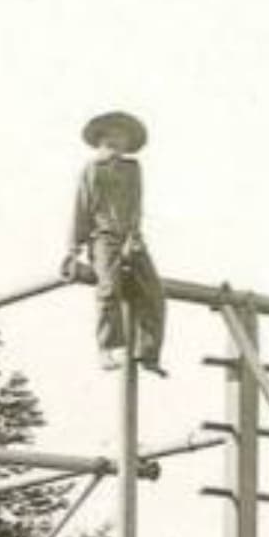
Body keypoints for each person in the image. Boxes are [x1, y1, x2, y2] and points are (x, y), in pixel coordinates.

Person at [63, 109, 166, 376]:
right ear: (101, 139)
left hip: (129, 235)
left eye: (122, 137)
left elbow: (136, 205)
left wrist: (133, 235)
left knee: (153, 290)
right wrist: (73, 248)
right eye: (111, 136)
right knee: (109, 288)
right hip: (103, 236)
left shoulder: (133, 170)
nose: (116, 142)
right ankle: (107, 346)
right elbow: (81, 208)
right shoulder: (92, 170)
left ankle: (149, 352)